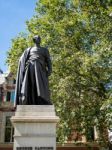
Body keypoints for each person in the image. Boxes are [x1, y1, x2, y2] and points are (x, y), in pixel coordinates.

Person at [15, 35, 52, 105]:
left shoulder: (44, 50)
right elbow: (22, 59)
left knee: (42, 86)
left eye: (40, 38)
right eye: (38, 38)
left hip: (41, 70)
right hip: (30, 68)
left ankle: (43, 100)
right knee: (31, 85)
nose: (39, 39)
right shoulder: (29, 49)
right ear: (34, 40)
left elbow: (48, 60)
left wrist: (50, 69)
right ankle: (30, 101)